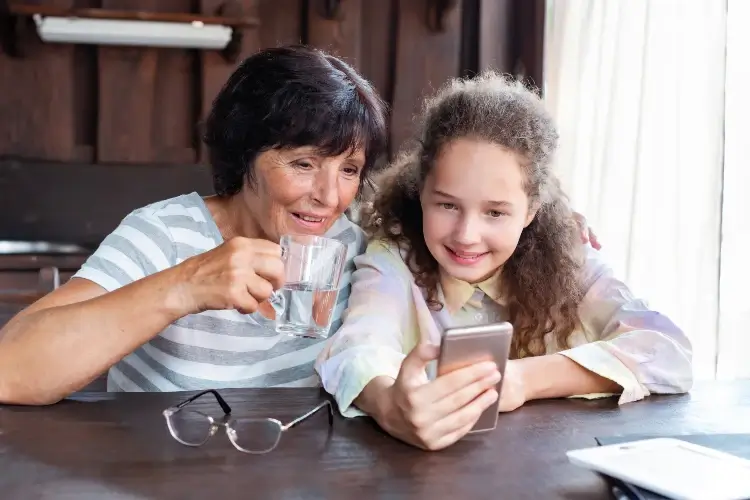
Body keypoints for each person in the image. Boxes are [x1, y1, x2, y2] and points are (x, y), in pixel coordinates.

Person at [314, 72, 693, 451]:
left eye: (495, 213)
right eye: (447, 205)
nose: (466, 234)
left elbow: (666, 349)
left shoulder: (571, 258)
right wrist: (389, 402)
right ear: (421, 191)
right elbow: (358, 348)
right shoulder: (393, 258)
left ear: (530, 211)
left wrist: (523, 380)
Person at [0, 45, 388, 405]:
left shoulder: (353, 248)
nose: (331, 196)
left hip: (299, 472)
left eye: (349, 170)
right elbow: (10, 370)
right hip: (160, 470)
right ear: (244, 152)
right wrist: (186, 285)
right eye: (304, 164)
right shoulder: (165, 234)